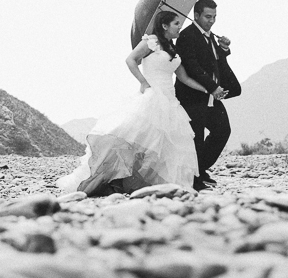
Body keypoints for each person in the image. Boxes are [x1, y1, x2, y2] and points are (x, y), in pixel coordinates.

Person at [57, 11, 208, 196]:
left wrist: (208, 89)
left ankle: (156, 183)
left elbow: (183, 77)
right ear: (164, 26)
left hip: (170, 100)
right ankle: (113, 178)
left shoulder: (172, 48)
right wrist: (143, 82)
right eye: (177, 23)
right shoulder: (150, 42)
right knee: (135, 137)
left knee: (164, 144)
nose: (180, 27)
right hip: (152, 95)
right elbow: (130, 60)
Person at [174, 0, 241, 191]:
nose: (211, 21)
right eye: (207, 17)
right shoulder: (186, 36)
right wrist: (212, 87)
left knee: (222, 130)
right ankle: (195, 179)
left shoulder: (211, 36)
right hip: (191, 96)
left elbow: (214, 60)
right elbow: (192, 66)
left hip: (210, 96)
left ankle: (200, 169)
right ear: (196, 15)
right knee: (196, 137)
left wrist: (224, 48)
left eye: (214, 17)